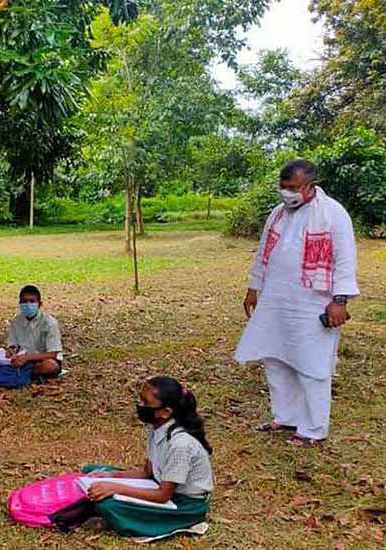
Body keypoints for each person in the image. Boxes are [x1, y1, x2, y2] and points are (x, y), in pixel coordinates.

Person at [235, 159, 359, 447]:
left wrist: (340, 301)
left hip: (313, 303)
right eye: (283, 187)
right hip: (277, 298)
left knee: (312, 365)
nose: (286, 193)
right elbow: (263, 252)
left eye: (293, 188)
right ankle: (286, 417)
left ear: (310, 186)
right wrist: (254, 288)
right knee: (275, 359)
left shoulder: (333, 214)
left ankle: (314, 429)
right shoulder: (278, 214)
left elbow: (345, 260)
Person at [82, 376, 213, 539]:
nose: (140, 406)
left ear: (166, 412)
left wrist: (114, 487)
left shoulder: (180, 444)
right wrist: (112, 476)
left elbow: (163, 496)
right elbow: (147, 472)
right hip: (161, 485)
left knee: (108, 505)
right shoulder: (156, 427)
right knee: (92, 471)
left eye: (146, 402)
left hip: (184, 504)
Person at [0, 285, 63, 378]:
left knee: (50, 366)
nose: (28, 305)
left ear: (40, 304)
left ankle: (13, 372)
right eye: (24, 301)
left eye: (32, 301)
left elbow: (53, 354)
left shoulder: (49, 323)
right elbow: (12, 345)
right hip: (19, 358)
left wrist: (27, 358)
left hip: (40, 359)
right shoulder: (17, 321)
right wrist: (11, 352)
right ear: (20, 303)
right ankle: (19, 372)